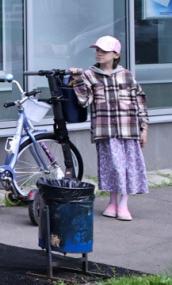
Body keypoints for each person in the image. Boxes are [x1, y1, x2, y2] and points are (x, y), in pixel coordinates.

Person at [68, 35, 148, 221]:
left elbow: (140, 101)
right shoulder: (89, 75)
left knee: (127, 167)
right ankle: (112, 202)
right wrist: (77, 79)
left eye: (104, 50)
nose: (99, 53)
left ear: (116, 54)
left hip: (129, 130)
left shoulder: (127, 75)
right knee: (111, 167)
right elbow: (85, 101)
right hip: (105, 130)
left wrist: (144, 128)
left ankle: (123, 203)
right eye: (97, 50)